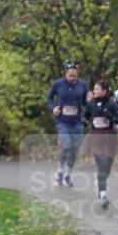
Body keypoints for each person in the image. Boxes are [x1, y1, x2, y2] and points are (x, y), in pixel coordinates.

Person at [80, 79, 118, 209]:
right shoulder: (91, 104)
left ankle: (100, 185)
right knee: (101, 166)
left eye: (97, 89)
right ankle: (103, 194)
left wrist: (112, 117)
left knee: (107, 167)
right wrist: (83, 120)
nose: (95, 91)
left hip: (109, 137)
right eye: (94, 88)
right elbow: (85, 117)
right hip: (95, 137)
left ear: (104, 91)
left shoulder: (111, 105)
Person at [46, 59, 89, 187]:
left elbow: (85, 103)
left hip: (76, 121)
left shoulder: (82, 84)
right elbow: (49, 98)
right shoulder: (58, 84)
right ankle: (59, 171)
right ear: (65, 73)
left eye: (74, 75)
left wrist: (89, 112)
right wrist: (53, 108)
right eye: (70, 75)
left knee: (75, 148)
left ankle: (68, 174)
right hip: (62, 121)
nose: (72, 78)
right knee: (66, 145)